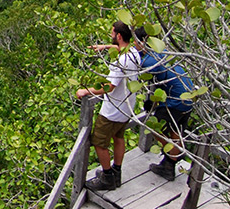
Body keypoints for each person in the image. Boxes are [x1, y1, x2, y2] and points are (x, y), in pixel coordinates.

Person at [77, 21, 142, 191]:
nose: (111, 35)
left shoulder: (120, 61)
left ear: (119, 36)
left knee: (99, 142)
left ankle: (107, 177)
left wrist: (86, 91)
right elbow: (122, 48)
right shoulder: (134, 52)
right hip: (126, 108)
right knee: (118, 137)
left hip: (112, 111)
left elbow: (109, 86)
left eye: (112, 34)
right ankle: (116, 171)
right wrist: (105, 47)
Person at [132, 26, 195, 181]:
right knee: (175, 131)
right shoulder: (161, 51)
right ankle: (169, 164)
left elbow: (136, 70)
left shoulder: (148, 62)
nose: (133, 45)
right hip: (189, 96)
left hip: (176, 101)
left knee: (153, 126)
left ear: (141, 42)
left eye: (135, 42)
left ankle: (173, 155)